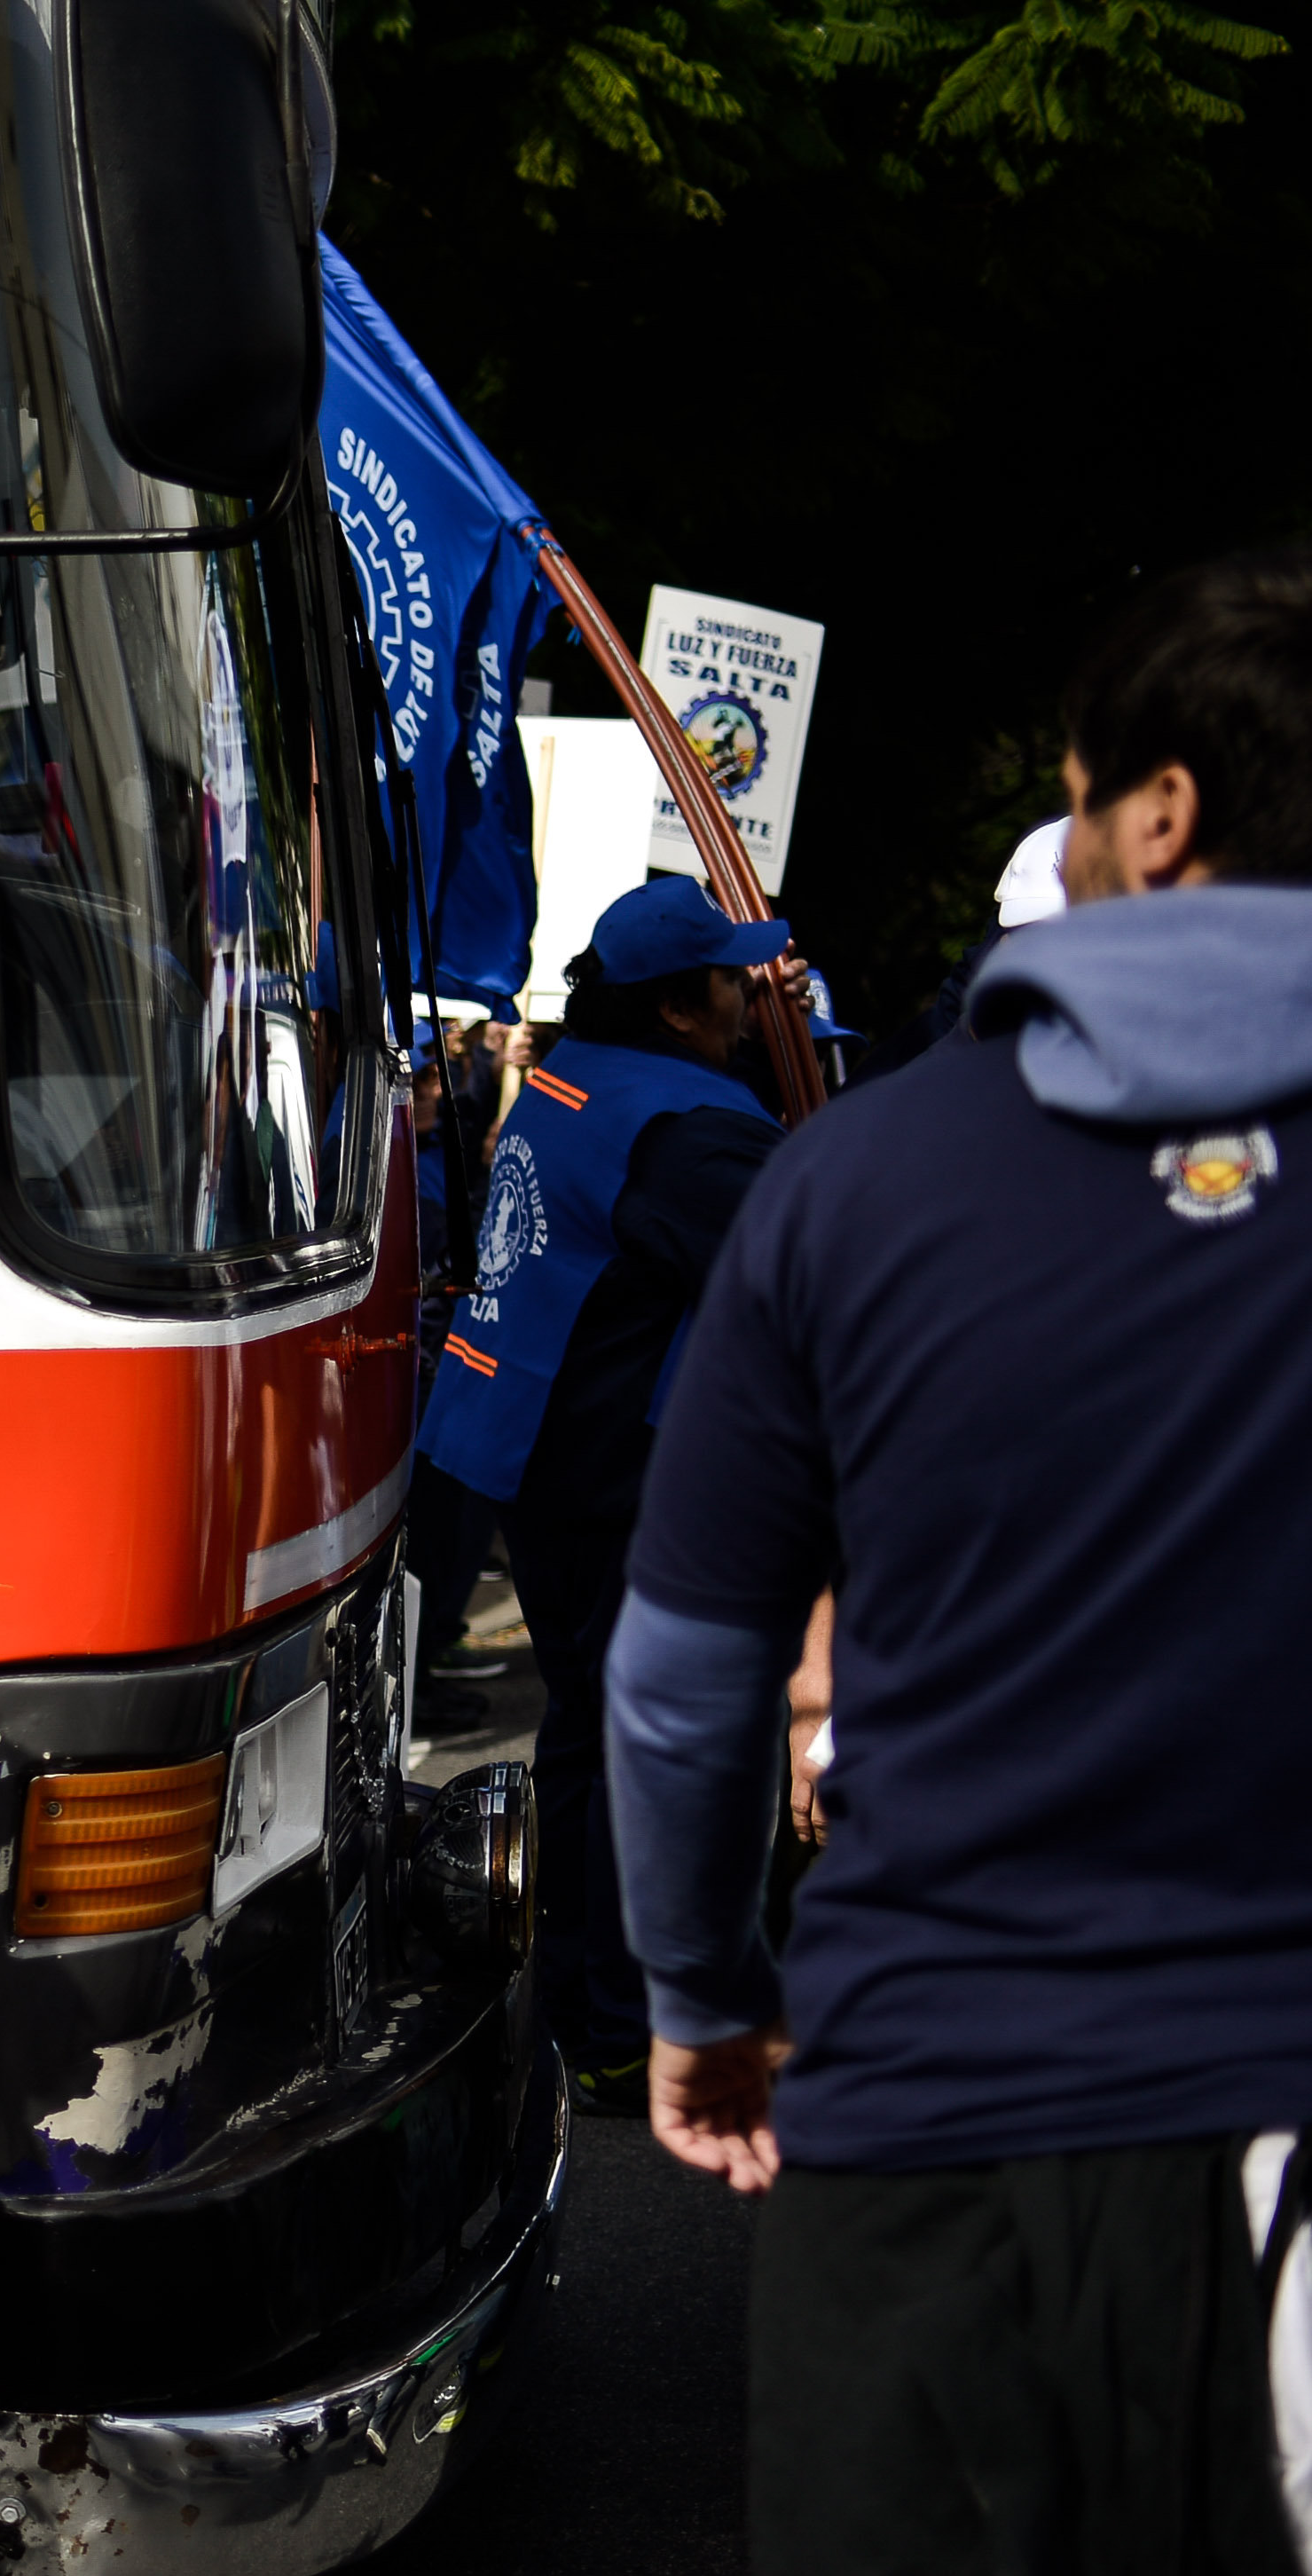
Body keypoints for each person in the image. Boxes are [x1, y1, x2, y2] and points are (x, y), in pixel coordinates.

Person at [614, 542, 1312, 2576]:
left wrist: (703, 1996)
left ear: (1161, 815)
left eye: (1073, 800)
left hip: (948, 2155)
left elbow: (685, 1687)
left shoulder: (876, 1184)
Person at [414, 874, 792, 2111]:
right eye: (735, 981)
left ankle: (580, 1997)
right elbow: (798, 1260)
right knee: (652, 1748)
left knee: (584, 1727)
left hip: (530, 1449)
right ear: (684, 1006)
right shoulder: (687, 1125)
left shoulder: (581, 1080)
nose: (753, 998)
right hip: (615, 1474)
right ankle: (626, 2020)